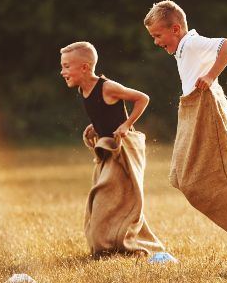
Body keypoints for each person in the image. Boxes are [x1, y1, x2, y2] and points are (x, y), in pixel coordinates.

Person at [143, 0, 227, 252]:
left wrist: (211, 75)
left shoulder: (191, 42)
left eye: (158, 35)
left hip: (206, 107)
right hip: (192, 108)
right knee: (181, 177)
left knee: (206, 176)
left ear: (176, 29)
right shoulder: (182, 47)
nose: (156, 42)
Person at [59, 42, 164, 257]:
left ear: (85, 68)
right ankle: (115, 244)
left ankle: (115, 246)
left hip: (122, 151)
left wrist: (126, 125)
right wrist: (95, 126)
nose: (62, 72)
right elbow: (105, 113)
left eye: (67, 66)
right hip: (107, 152)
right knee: (106, 201)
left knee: (110, 200)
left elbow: (142, 98)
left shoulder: (107, 87)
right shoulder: (83, 88)